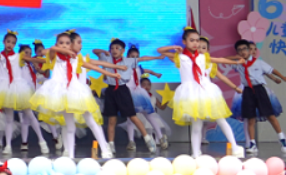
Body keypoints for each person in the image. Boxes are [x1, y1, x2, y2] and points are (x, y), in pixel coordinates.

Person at [158, 27, 245, 158]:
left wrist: (237, 62)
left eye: (197, 40)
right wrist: (175, 47)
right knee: (196, 126)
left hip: (206, 92)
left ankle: (234, 147)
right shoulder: (180, 58)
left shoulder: (203, 57)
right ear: (184, 42)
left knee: (221, 120)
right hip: (191, 94)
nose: (195, 43)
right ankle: (195, 153)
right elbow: (160, 50)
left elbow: (220, 60)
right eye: (192, 40)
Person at [30, 31, 115, 159]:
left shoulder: (76, 58)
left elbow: (94, 67)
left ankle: (104, 150)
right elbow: (51, 49)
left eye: (67, 43)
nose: (64, 45)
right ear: (57, 44)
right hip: (62, 94)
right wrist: (62, 49)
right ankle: (70, 156)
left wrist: (112, 74)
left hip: (77, 92)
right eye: (61, 43)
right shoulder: (55, 57)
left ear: (71, 45)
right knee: (69, 127)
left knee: (91, 120)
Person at [0, 30, 48, 155]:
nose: (10, 44)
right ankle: (8, 145)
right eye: (8, 41)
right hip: (5, 88)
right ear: (3, 42)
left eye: (13, 43)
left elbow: (32, 59)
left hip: (18, 88)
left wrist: (50, 61)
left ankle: (42, 141)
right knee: (9, 118)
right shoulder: (0, 55)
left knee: (29, 114)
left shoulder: (18, 56)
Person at [93, 39, 159, 154]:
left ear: (123, 50)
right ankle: (111, 145)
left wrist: (158, 57)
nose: (114, 50)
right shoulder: (107, 59)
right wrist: (104, 51)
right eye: (112, 48)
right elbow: (95, 51)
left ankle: (148, 139)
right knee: (112, 120)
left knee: (132, 116)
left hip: (123, 90)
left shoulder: (128, 61)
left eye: (117, 48)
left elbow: (143, 59)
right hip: (111, 90)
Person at [230, 38, 286, 155]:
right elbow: (224, 60)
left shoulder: (258, 63)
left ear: (249, 50)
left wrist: (282, 77)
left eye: (245, 49)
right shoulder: (239, 64)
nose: (243, 52)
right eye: (239, 50)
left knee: (270, 115)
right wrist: (236, 57)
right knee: (251, 118)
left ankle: (282, 139)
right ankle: (252, 144)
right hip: (247, 91)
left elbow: (272, 70)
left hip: (259, 89)